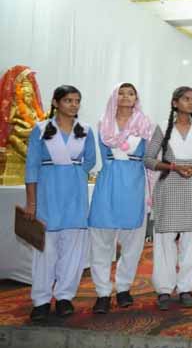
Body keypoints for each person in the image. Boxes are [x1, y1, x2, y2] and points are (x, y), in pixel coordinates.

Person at [23, 85, 96, 321]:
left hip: (75, 197)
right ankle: (41, 300)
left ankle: (65, 296)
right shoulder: (41, 130)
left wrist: (73, 173)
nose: (73, 105)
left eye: (77, 101)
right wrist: (31, 203)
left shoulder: (85, 130)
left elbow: (90, 161)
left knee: (73, 250)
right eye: (68, 100)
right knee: (45, 250)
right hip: (48, 196)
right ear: (56, 103)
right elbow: (31, 167)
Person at [145, 86, 192, 311]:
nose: (191, 102)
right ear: (175, 103)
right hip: (169, 186)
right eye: (186, 99)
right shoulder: (162, 128)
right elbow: (148, 159)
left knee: (191, 241)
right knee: (165, 240)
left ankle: (186, 288)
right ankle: (164, 290)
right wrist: (173, 167)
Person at [89, 83, 153, 314]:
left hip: (134, 185)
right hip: (107, 183)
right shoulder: (103, 123)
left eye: (131, 93)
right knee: (101, 241)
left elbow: (151, 158)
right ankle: (102, 292)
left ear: (136, 98)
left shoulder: (145, 124)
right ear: (114, 96)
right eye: (122, 93)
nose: (126, 97)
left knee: (133, 242)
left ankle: (124, 288)